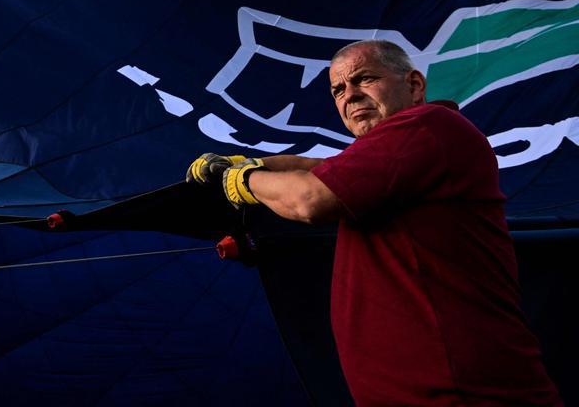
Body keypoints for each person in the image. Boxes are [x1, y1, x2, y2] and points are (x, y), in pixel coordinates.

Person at [187, 39, 561, 406]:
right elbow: (316, 168)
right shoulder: (400, 152)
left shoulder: (428, 125)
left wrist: (240, 181)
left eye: (364, 79)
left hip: (458, 393)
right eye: (337, 89)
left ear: (414, 85)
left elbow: (309, 198)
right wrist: (246, 162)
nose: (349, 95)